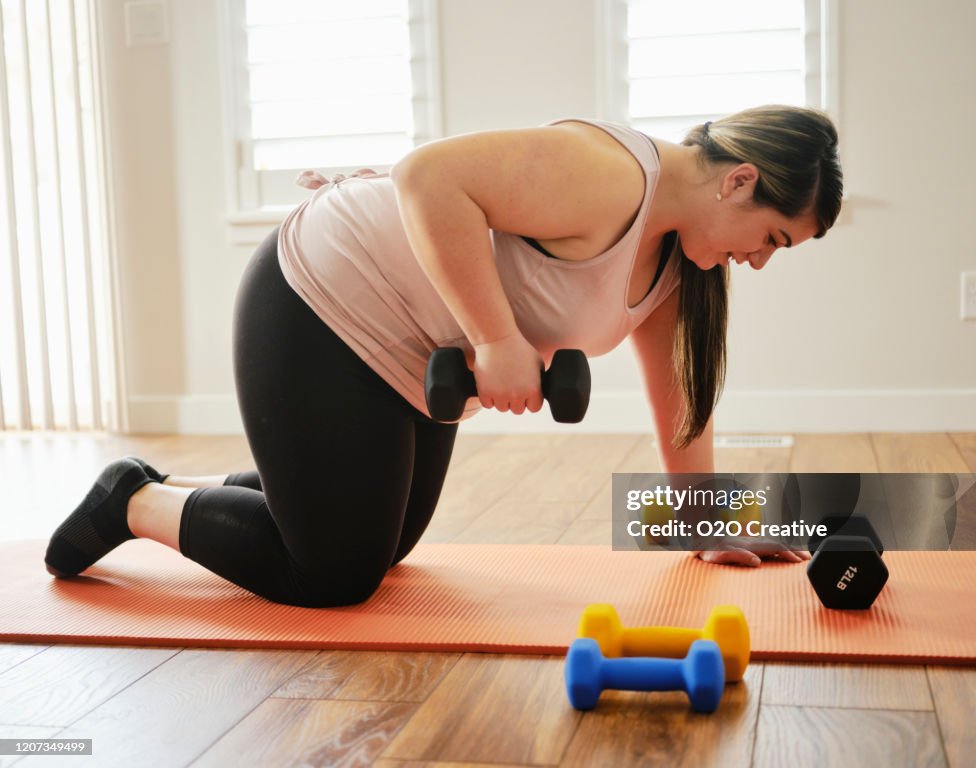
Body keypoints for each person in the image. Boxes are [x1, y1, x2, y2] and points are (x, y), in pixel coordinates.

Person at [44, 105, 843, 606]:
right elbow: (428, 176)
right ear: (740, 181)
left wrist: (701, 521)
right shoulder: (611, 174)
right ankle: (130, 501)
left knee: (388, 544)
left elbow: (681, 399)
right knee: (333, 575)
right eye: (773, 239)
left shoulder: (680, 264)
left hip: (416, 346)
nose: (761, 260)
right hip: (325, 294)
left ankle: (280, 488)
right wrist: (498, 341)